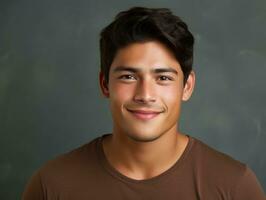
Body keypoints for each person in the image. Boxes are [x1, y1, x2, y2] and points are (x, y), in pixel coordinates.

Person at [22, 6, 265, 200]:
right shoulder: (51, 185)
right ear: (105, 84)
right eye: (128, 76)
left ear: (187, 87)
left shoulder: (234, 186)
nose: (145, 94)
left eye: (163, 78)